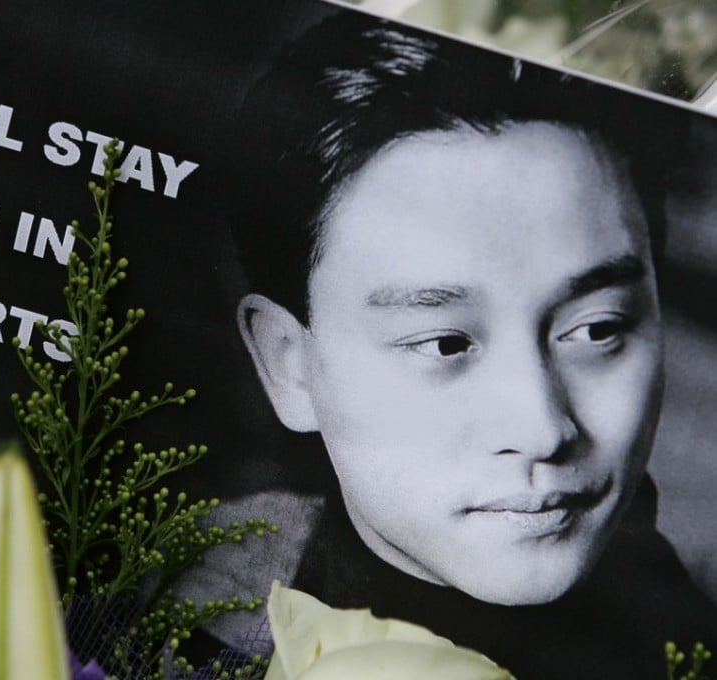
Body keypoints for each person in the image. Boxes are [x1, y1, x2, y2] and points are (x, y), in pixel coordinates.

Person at [224, 11, 717, 679]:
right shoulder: (142, 613)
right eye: (446, 343)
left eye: (598, 329)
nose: (543, 430)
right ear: (289, 364)